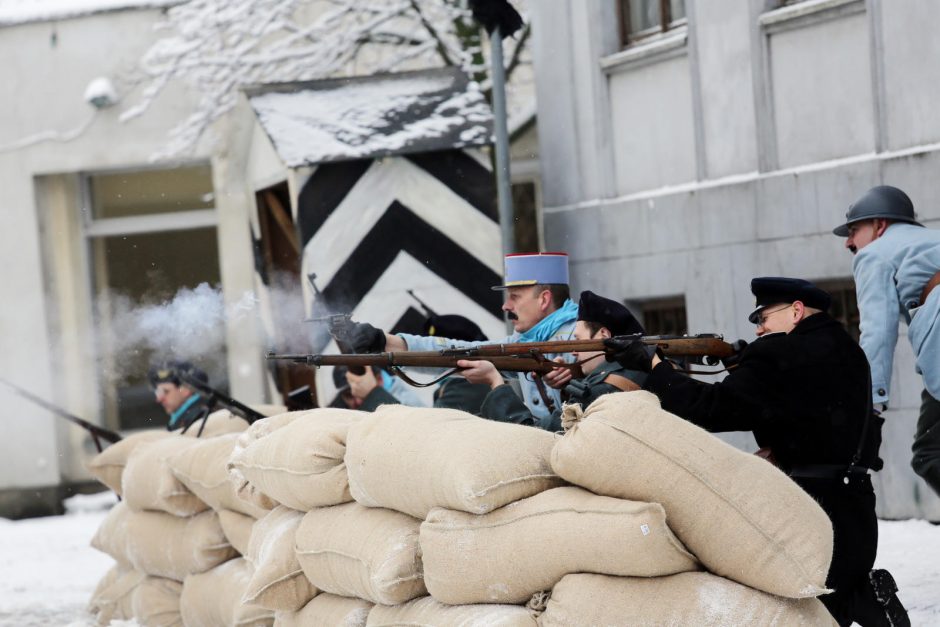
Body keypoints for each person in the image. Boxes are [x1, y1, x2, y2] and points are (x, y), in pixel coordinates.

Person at [606, 277, 908, 627]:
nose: (760, 329)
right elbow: (794, 408)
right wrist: (741, 365)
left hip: (810, 509)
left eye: (763, 317)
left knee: (797, 606)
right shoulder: (847, 349)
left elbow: (711, 408)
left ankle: (865, 598)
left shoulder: (779, 353)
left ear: (796, 311)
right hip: (855, 507)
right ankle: (868, 598)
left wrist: (657, 368)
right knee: (828, 600)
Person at [344, 252, 578, 421]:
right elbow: (458, 350)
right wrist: (386, 342)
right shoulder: (524, 344)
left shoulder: (581, 340)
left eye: (514, 296)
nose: (506, 306)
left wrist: (573, 376)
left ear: (544, 299)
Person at [834, 185, 940, 498]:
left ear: (880, 225)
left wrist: (872, 403)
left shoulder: (873, 255)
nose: (849, 243)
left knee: (929, 454)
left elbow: (878, 332)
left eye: (854, 230)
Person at [459, 290, 648, 431]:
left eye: (579, 340)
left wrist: (495, 381)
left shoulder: (603, 389)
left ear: (603, 335)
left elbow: (533, 436)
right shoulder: (637, 369)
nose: (573, 351)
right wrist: (568, 386)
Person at [345, 313, 493, 413]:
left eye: (436, 346)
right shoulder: (459, 385)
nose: (429, 351)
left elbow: (427, 435)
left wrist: (372, 393)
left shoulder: (465, 387)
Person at [147, 360, 211, 431]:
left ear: (185, 390)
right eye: (158, 393)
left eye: (165, 392)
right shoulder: (202, 414)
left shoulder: (197, 420)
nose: (159, 399)